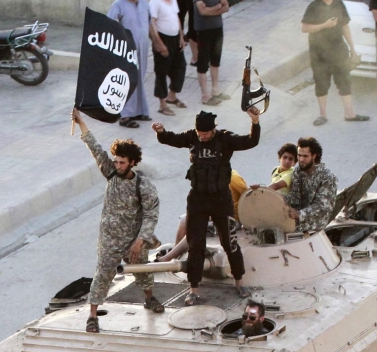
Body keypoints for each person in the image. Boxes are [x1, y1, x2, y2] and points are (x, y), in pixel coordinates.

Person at [153, 108, 261, 305]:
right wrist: (160, 132)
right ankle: (193, 289)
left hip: (221, 198)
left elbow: (251, 141)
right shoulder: (192, 138)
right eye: (200, 134)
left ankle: (239, 281)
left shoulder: (225, 139)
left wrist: (255, 122)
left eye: (205, 134)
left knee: (230, 242)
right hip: (198, 198)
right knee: (196, 245)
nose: (202, 137)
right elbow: (173, 139)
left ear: (213, 130)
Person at [73, 109, 162, 334]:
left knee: (142, 272)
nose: (118, 165)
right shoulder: (111, 173)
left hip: (133, 240)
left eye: (122, 162)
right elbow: (94, 146)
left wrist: (141, 240)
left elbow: (152, 213)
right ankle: (93, 316)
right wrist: (81, 121)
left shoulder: (143, 186)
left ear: (132, 162)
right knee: (102, 274)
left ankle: (149, 298)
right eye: (116, 161)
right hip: (110, 240)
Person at [301, 0, 369, 126]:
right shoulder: (314, 6)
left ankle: (349, 113)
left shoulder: (339, 5)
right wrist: (324, 25)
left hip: (339, 50)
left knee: (344, 81)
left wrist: (352, 49)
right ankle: (322, 115)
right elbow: (305, 28)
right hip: (318, 52)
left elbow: (345, 26)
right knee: (321, 83)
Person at [156, 169, 247, 262]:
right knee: (184, 220)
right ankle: (176, 251)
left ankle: (168, 258)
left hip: (231, 218)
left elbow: (248, 196)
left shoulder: (233, 178)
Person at [109, 0, 152, 128]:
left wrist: (158, 43)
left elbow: (150, 23)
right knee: (128, 81)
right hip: (126, 50)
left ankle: (139, 111)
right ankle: (125, 116)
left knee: (139, 78)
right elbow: (110, 27)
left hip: (143, 47)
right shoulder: (118, 5)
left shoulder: (144, 2)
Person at [150, 0, 188, 116]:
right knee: (161, 72)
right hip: (162, 39)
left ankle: (172, 97)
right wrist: (160, 44)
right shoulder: (155, 1)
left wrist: (181, 36)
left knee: (180, 67)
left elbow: (177, 16)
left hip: (175, 38)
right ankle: (162, 104)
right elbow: (152, 24)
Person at [192, 0, 230, 106]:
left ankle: (215, 90)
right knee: (202, 63)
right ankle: (205, 96)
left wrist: (212, 10)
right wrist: (218, 7)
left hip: (217, 28)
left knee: (215, 60)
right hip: (203, 30)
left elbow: (226, 6)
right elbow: (202, 11)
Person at [285, 136, 338, 233]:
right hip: (298, 216)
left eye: (305, 156)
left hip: (315, 222)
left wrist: (299, 214)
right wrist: (275, 197)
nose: (301, 159)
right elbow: (295, 198)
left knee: (280, 231)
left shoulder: (328, 177)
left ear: (314, 156)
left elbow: (322, 207)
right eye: (299, 155)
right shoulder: (298, 171)